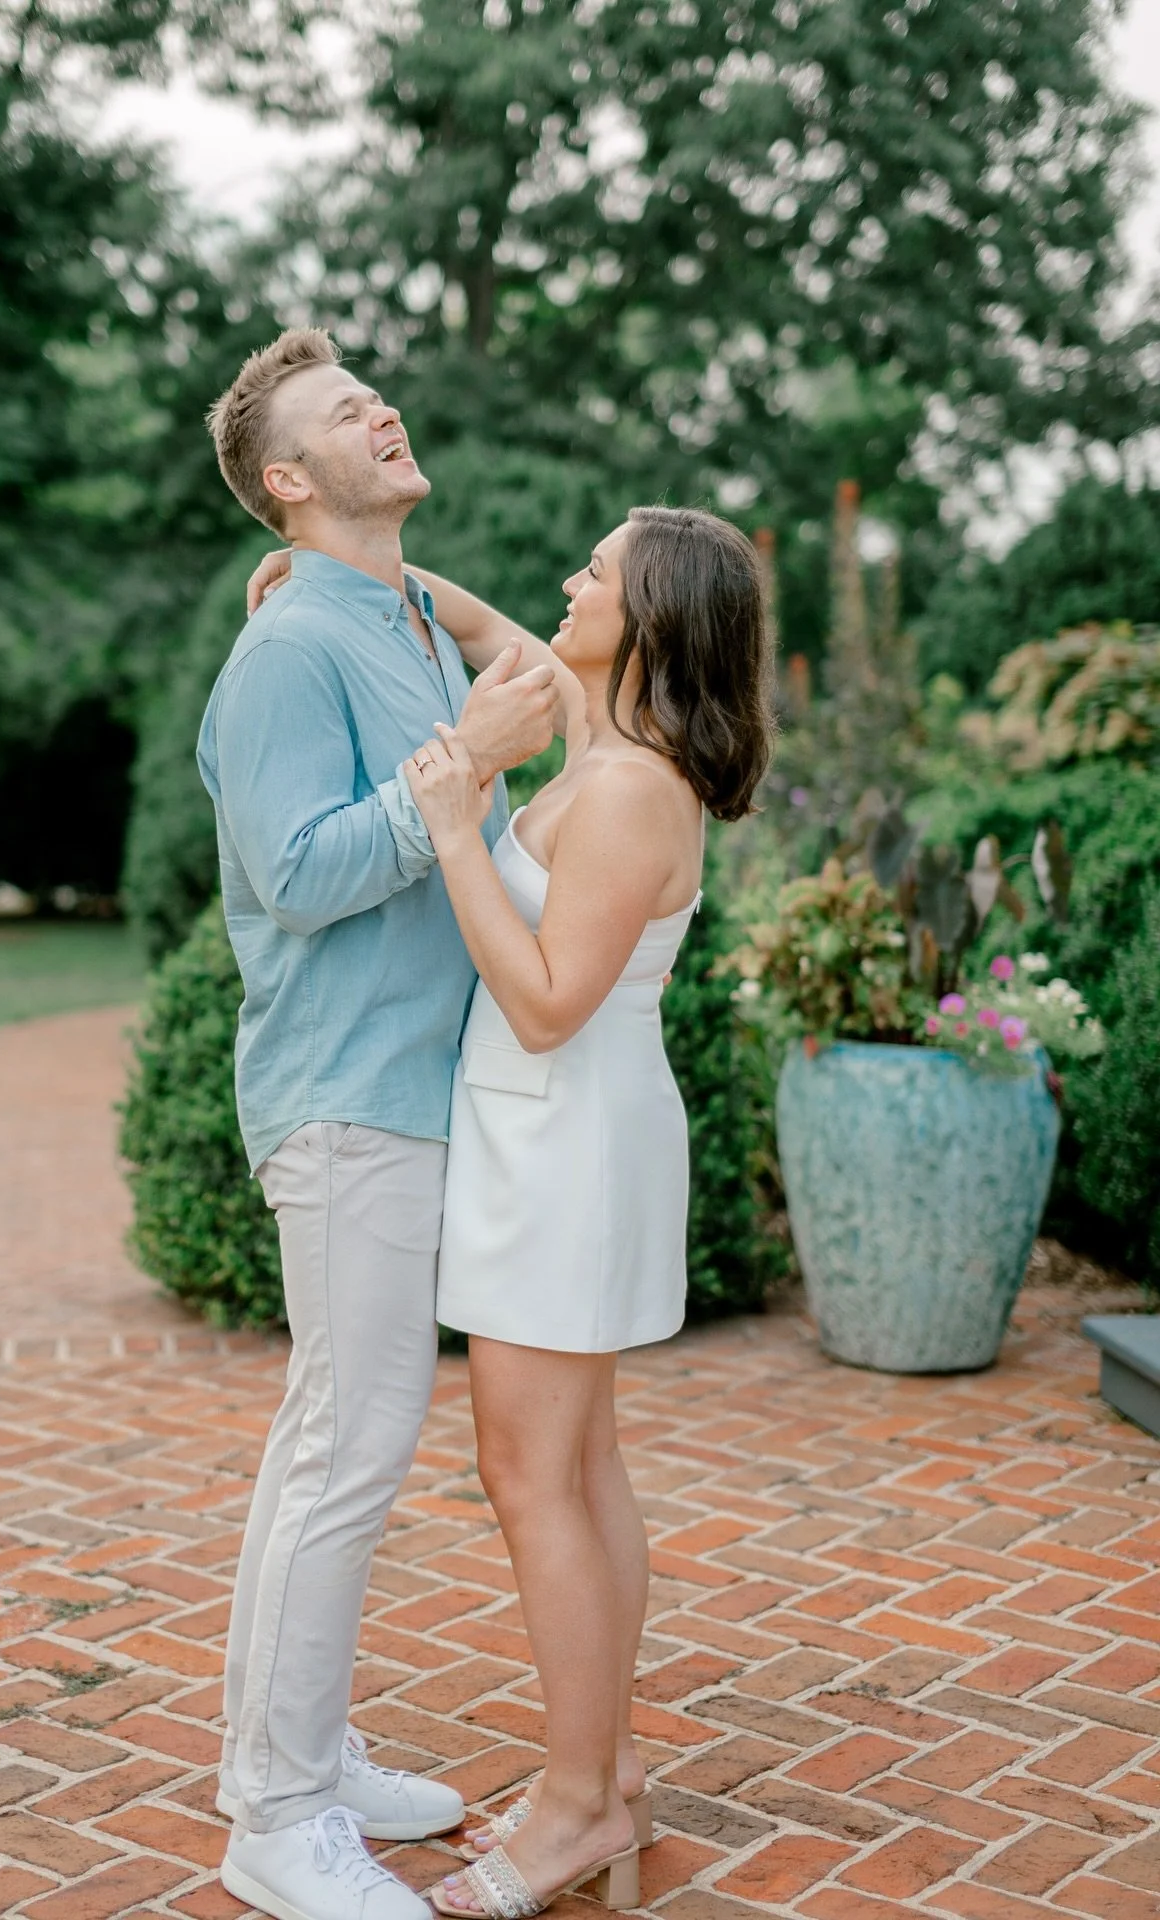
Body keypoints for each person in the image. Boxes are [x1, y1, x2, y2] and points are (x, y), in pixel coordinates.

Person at [197, 326, 564, 1920]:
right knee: (345, 1450)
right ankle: (274, 1820)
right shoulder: (284, 651)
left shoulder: (394, 610)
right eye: (344, 412)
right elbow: (298, 875)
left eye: (375, 392)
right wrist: (463, 764)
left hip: (415, 1094)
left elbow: (529, 675)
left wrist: (470, 729)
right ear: (289, 481)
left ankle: (308, 1753)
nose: (381, 409)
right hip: (343, 1098)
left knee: (335, 1447)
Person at [403, 507, 775, 1919]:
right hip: (553, 1138)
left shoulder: (627, 790)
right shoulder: (609, 741)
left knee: (529, 1474)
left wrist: (452, 833)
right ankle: (606, 1777)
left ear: (653, 619)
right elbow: (493, 627)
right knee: (579, 1467)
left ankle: (569, 1810)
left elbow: (551, 1004)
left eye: (599, 574)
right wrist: (341, 572)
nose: (569, 582)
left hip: (561, 1135)